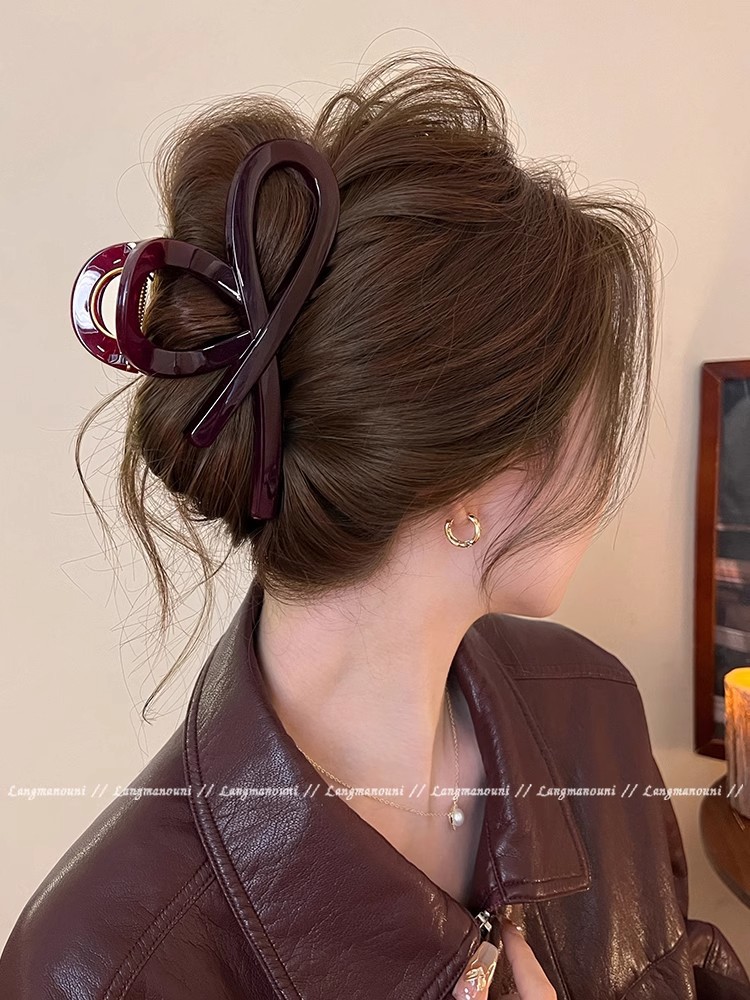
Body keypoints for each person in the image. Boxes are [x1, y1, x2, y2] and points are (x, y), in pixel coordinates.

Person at [1, 49, 748, 1000]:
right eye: (589, 414)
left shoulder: (591, 706)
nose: (608, 465)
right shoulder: (97, 970)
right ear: (472, 481)